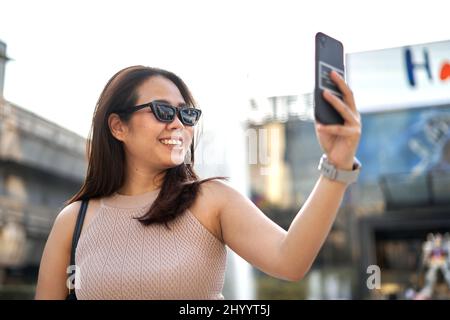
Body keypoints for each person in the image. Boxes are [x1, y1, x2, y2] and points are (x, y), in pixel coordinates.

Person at [35, 65, 361, 299]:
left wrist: (337, 164)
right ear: (118, 126)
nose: (178, 124)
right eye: (162, 111)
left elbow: (290, 261)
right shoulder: (73, 221)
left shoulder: (211, 200)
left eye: (186, 115)